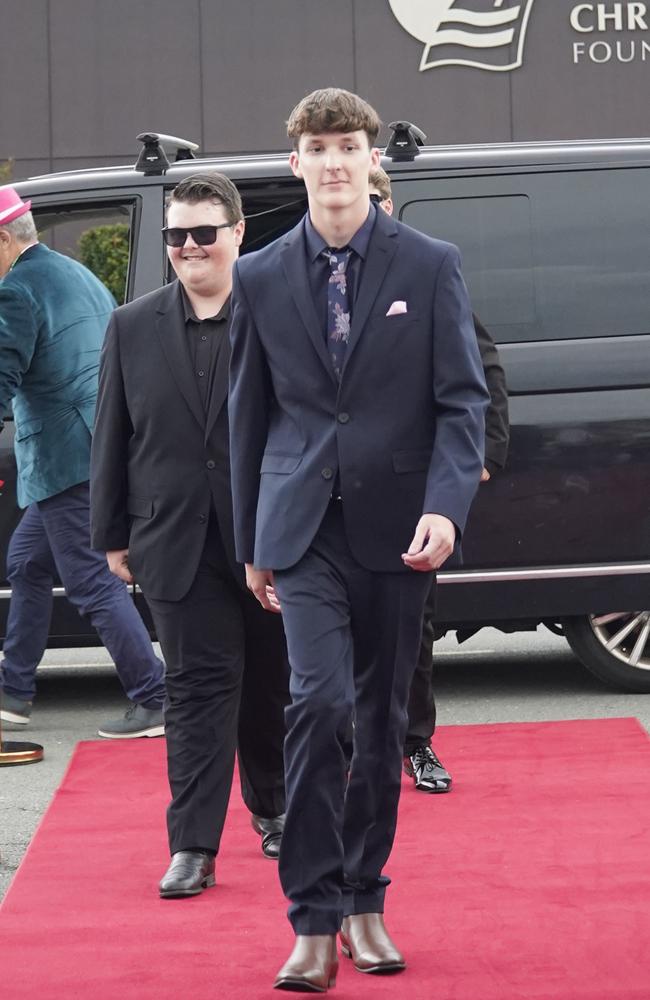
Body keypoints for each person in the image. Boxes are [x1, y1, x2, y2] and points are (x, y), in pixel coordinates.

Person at [228, 88, 489, 992]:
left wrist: (448, 507)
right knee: (319, 705)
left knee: (379, 725)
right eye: (318, 148)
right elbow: (246, 418)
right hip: (302, 532)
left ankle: (365, 902)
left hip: (398, 529)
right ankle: (310, 916)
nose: (334, 162)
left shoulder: (429, 265)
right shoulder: (259, 275)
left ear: (370, 159)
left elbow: (463, 400)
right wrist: (252, 543)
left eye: (348, 146)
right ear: (294, 160)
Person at [89, 173, 290, 894]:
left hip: (269, 539)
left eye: (204, 231)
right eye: (177, 234)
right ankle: (193, 846)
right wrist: (110, 531)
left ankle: (276, 810)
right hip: (171, 541)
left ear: (238, 233)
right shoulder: (131, 324)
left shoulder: (277, 315)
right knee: (197, 690)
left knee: (272, 687)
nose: (189, 246)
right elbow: (111, 432)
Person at [0, 185, 166, 739]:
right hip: (95, 446)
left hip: (63, 457)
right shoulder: (74, 274)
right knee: (27, 563)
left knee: (92, 581)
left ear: (3, 240)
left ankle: (154, 696)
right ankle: (14, 691)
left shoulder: (17, 291)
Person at [368, 165, 510, 793]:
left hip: (412, 485)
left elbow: (481, 371)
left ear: (390, 203)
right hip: (332, 487)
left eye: (375, 198)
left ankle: (416, 744)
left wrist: (481, 455)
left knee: (414, 628)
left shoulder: (426, 273)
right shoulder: (308, 279)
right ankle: (346, 746)